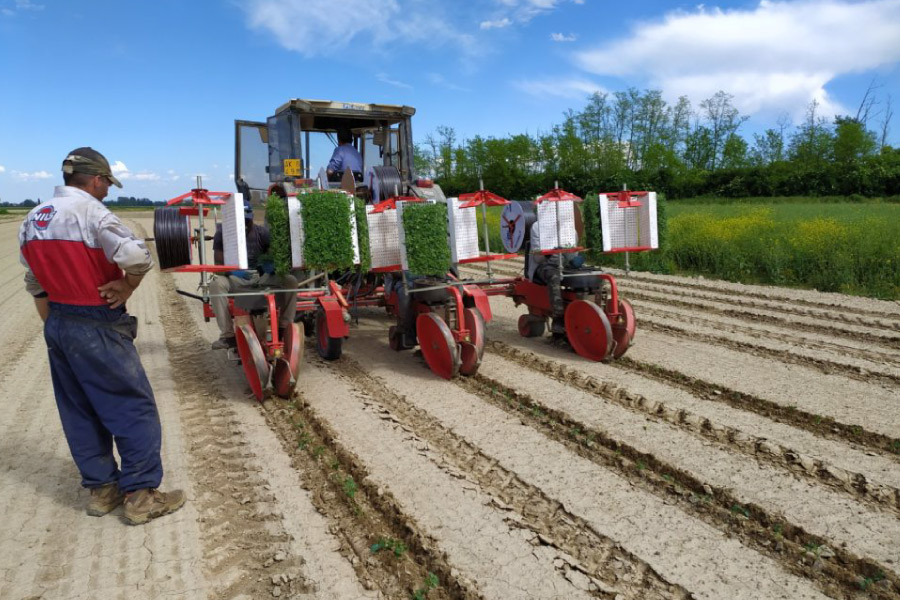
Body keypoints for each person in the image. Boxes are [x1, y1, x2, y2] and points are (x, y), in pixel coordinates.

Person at [18, 147, 185, 525]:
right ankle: (141, 497)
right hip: (96, 322)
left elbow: (33, 280)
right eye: (107, 182)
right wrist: (126, 288)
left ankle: (102, 491)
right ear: (95, 180)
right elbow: (138, 257)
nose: (108, 190)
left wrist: (53, 323)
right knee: (131, 405)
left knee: (79, 408)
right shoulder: (92, 213)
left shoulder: (32, 219)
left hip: (58, 321)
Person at [209, 200, 298, 349]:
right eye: (241, 221)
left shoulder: (262, 233)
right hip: (236, 278)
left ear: (252, 217)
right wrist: (232, 271)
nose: (245, 224)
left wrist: (272, 267)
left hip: (260, 277)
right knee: (216, 284)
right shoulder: (222, 234)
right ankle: (228, 336)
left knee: (290, 281)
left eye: (247, 220)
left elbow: (274, 256)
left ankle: (284, 327)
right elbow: (218, 265)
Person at [527, 220, 584, 335]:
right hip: (542, 266)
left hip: (565, 263)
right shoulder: (537, 227)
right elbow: (537, 258)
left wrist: (569, 255)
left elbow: (573, 254)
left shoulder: (570, 228)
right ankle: (558, 319)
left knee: (587, 275)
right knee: (554, 276)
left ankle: (582, 307)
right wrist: (550, 253)